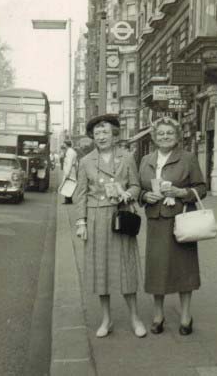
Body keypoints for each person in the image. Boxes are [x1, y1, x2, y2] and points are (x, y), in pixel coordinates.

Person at [75, 114, 146, 338]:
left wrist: (128, 194)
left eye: (106, 132)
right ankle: (106, 319)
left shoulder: (126, 157)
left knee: (126, 267)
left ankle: (135, 318)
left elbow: (136, 185)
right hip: (96, 220)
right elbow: (81, 195)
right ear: (92, 137)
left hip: (121, 217)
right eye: (97, 134)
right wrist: (81, 222)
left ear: (114, 135)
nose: (102, 137)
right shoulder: (86, 161)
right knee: (100, 270)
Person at [139, 117, 206, 336]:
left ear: (177, 136)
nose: (165, 136)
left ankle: (186, 316)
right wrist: (143, 195)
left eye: (169, 133)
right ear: (154, 137)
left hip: (181, 220)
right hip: (156, 222)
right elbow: (137, 187)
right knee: (156, 270)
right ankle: (158, 315)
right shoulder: (146, 160)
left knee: (184, 269)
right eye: (161, 134)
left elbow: (201, 188)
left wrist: (181, 193)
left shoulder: (188, 158)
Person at [62, 140, 77, 204]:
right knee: (68, 185)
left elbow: (69, 163)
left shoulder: (70, 152)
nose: (63, 145)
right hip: (71, 170)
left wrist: (67, 173)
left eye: (64, 144)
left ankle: (68, 200)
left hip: (70, 170)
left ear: (66, 144)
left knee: (68, 185)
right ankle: (68, 199)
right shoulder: (70, 151)